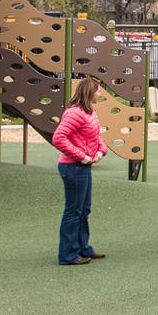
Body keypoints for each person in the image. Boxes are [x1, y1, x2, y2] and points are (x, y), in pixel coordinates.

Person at [50, 77, 110, 265]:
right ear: (89, 92)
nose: (100, 94)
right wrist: (81, 156)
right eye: (98, 90)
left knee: (84, 209)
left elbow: (97, 135)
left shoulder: (90, 112)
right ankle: (68, 255)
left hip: (83, 166)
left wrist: (101, 151)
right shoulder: (74, 113)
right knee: (73, 211)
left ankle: (83, 248)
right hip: (73, 167)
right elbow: (59, 138)